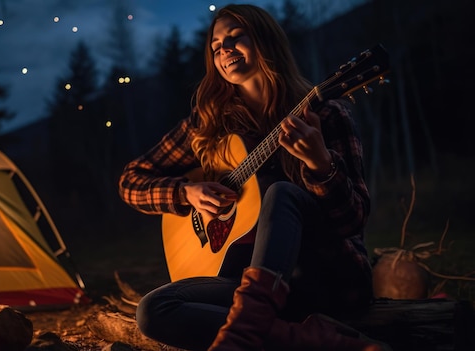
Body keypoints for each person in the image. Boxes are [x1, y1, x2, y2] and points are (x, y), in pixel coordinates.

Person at [118, 4, 386, 351]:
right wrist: (187, 193)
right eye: (215, 47)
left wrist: (321, 164)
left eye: (234, 37)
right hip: (246, 284)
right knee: (153, 310)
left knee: (281, 193)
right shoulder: (209, 125)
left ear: (265, 40)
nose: (224, 50)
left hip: (324, 276)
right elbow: (130, 181)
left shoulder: (325, 114)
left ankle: (245, 336)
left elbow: (353, 220)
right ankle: (314, 340)